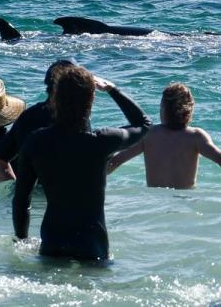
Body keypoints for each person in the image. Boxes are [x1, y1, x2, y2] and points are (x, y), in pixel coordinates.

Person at [12, 65, 151, 261]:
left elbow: (21, 201)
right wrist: (112, 90)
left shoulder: (35, 142)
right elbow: (144, 124)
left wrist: (22, 241)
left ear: (55, 98)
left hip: (53, 242)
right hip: (92, 244)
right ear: (91, 100)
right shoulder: (102, 141)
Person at [106, 82, 221, 188]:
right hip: (185, 203)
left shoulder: (149, 134)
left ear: (163, 108)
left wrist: (88, 181)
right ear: (189, 110)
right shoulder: (196, 137)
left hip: (154, 204)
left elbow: (117, 160)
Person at [0, 59, 74, 181]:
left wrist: (20, 192)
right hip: (68, 196)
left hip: (32, 196)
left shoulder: (29, 116)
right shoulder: (78, 117)